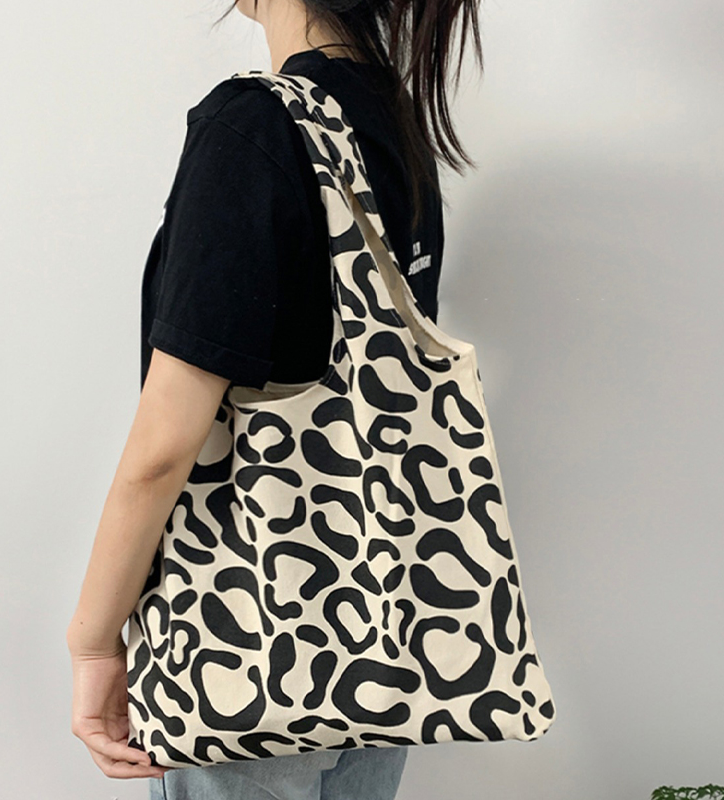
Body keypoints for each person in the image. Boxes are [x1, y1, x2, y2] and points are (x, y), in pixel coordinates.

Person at [66, 1, 483, 798]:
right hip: (378, 640)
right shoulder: (393, 122)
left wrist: (93, 643)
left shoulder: (255, 126)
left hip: (246, 640)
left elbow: (163, 450)